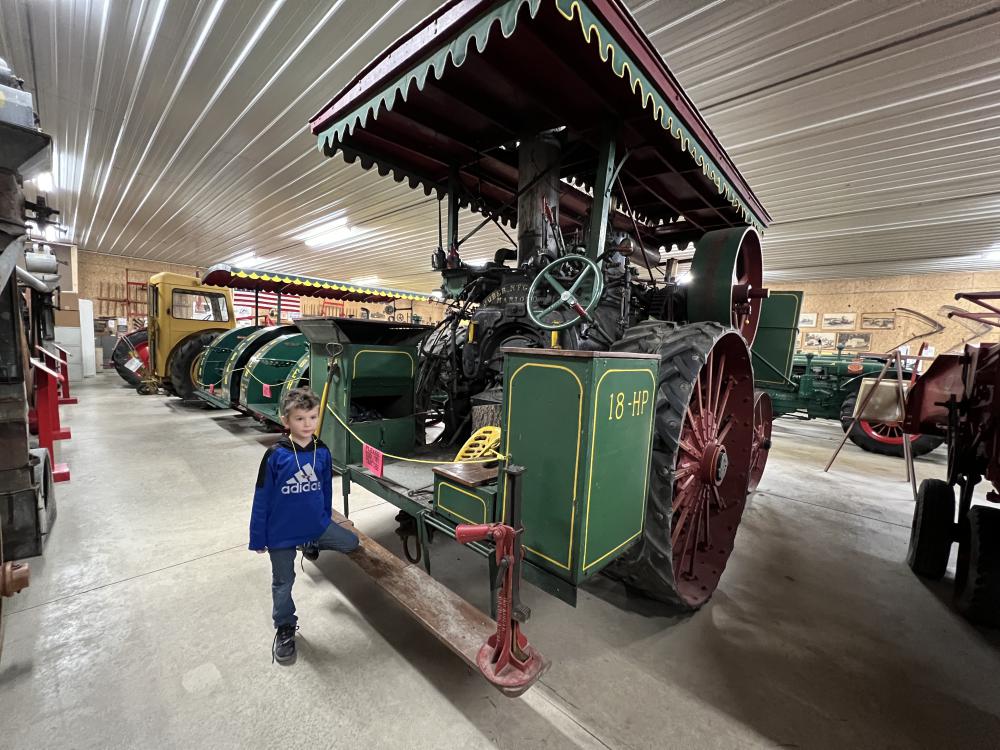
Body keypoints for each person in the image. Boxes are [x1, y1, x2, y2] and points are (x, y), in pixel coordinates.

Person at [249, 387, 360, 663]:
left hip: (315, 526)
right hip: (281, 534)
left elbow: (325, 491)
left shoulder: (322, 452)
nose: (307, 424)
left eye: (312, 417)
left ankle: (310, 542)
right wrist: (258, 537)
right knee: (283, 581)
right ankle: (285, 626)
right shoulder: (276, 455)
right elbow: (261, 498)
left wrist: (323, 519)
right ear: (286, 421)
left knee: (352, 543)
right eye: (300, 418)